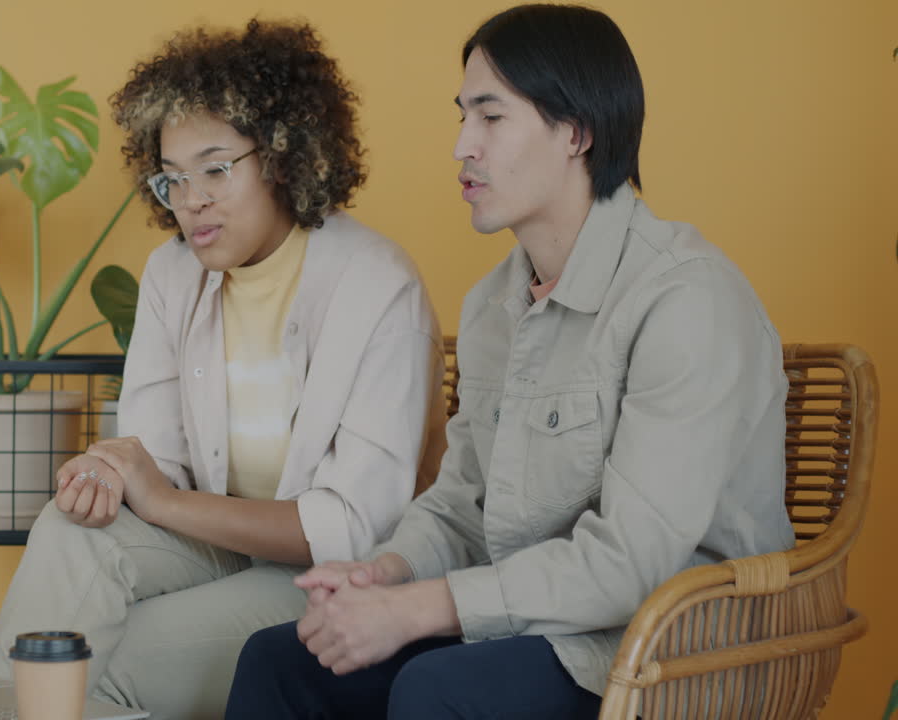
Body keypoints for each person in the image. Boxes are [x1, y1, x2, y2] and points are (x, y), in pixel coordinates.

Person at [224, 5, 796, 719]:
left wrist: (423, 609)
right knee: (281, 662)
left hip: (672, 650)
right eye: (462, 116)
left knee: (437, 688)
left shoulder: (688, 299)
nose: (463, 145)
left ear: (576, 134)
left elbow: (629, 563)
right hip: (530, 626)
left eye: (491, 119)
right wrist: (386, 572)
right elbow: (463, 504)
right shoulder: (492, 305)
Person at [0, 19, 448, 720]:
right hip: (217, 548)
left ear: (285, 157)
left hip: (336, 577)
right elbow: (154, 464)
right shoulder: (172, 274)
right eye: (172, 178)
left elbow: (353, 526)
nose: (191, 198)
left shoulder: (378, 285)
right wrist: (106, 478)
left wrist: (162, 501)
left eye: (215, 168)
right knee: (68, 532)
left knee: (103, 666)